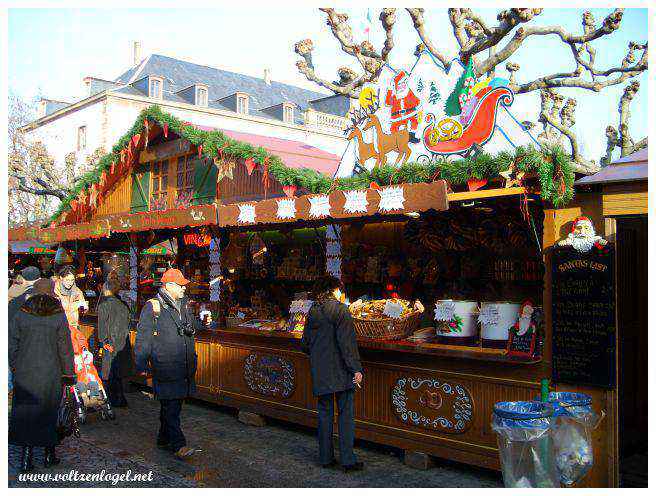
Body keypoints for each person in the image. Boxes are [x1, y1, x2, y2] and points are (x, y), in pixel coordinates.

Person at [134, 268, 210, 459]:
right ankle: (179, 444)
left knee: (171, 403)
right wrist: (141, 364)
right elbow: (143, 339)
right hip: (165, 365)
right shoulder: (153, 307)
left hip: (182, 365)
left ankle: (163, 437)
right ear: (168, 286)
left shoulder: (183, 305)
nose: (184, 288)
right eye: (181, 285)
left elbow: (190, 326)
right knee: (172, 406)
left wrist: (203, 323)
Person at [8, 278, 76, 472]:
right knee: (48, 412)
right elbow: (65, 347)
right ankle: (48, 455)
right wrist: (68, 373)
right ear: (52, 292)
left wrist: (15, 366)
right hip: (50, 372)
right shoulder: (57, 314)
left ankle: (26, 458)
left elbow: (12, 344)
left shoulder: (22, 313)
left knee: (26, 414)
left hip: (25, 371)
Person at [301, 276, 364, 472]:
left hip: (320, 371)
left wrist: (318, 356)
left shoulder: (313, 312)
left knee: (324, 414)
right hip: (341, 371)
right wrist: (356, 369)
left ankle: (325, 458)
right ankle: (347, 460)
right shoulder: (341, 310)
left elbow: (305, 344)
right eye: (339, 290)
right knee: (346, 415)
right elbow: (347, 345)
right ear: (334, 290)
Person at [97, 276, 134, 408]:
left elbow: (102, 327)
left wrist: (103, 341)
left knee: (109, 373)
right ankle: (119, 398)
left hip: (110, 342)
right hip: (122, 342)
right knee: (117, 373)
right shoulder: (124, 305)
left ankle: (111, 400)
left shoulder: (104, 305)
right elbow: (128, 323)